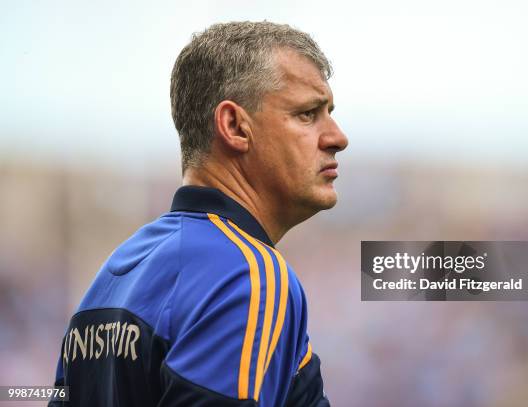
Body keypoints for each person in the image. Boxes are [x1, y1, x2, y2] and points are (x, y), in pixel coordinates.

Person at [49, 21, 348, 406]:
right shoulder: (250, 275)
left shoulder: (113, 275)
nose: (338, 136)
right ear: (235, 126)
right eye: (308, 114)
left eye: (329, 113)